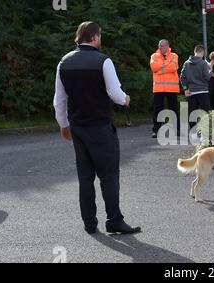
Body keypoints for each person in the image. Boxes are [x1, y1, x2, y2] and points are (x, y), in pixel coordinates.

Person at [53, 21, 141, 235]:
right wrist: (126, 99)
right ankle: (114, 221)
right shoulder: (104, 61)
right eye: (99, 36)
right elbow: (115, 94)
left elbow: (59, 100)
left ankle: (90, 224)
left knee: (85, 177)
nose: (100, 39)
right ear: (93, 37)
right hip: (101, 127)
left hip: (78, 128)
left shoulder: (63, 62)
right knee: (109, 176)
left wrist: (64, 125)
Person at [150, 39, 180, 138]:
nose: (161, 47)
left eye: (163, 45)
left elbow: (174, 67)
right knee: (157, 110)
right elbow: (154, 67)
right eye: (160, 45)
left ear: (168, 46)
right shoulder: (154, 56)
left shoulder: (174, 55)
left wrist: (160, 69)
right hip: (158, 88)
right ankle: (156, 130)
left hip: (172, 88)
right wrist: (166, 65)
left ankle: (176, 130)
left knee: (173, 110)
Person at [180, 45, 211, 136]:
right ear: (203, 52)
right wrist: (210, 71)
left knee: (192, 112)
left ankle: (193, 131)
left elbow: (182, 77)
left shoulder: (186, 63)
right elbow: (207, 77)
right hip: (203, 91)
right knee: (205, 112)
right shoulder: (203, 63)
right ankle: (205, 131)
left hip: (191, 91)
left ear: (195, 51)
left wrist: (185, 88)